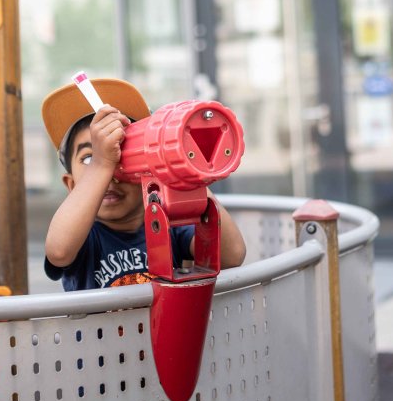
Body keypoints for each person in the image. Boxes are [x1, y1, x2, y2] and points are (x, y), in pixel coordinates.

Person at [41, 77, 247, 291]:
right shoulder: (84, 236)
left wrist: (187, 169)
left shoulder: (168, 225)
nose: (111, 174)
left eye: (123, 152)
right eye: (88, 158)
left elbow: (231, 255)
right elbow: (59, 252)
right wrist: (102, 164)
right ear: (72, 185)